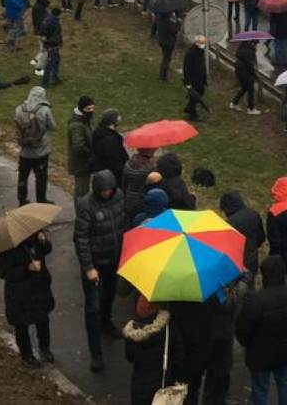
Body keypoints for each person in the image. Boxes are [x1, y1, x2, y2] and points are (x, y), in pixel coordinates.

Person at [235, 255, 287, 405]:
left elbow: (243, 331)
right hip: (284, 351)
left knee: (260, 392)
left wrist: (249, 345)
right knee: (285, 386)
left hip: (259, 356)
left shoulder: (256, 301)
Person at [73, 169, 126, 372]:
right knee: (92, 308)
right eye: (103, 190)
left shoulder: (118, 196)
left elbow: (123, 221)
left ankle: (107, 322)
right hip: (95, 265)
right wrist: (88, 267)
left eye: (110, 190)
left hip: (113, 260)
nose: (107, 193)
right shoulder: (86, 205)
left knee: (109, 296)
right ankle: (96, 352)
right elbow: (82, 238)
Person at [0, 229, 55, 368]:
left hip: (39, 288)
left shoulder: (35, 239)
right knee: (22, 325)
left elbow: (47, 249)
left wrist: (44, 241)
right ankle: (27, 355)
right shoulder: (8, 248)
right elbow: (4, 272)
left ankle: (44, 348)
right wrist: (27, 268)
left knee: (42, 320)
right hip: (19, 295)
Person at [123, 297, 185, 405]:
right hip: (163, 384)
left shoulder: (132, 331)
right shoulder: (169, 329)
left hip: (139, 386)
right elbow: (179, 356)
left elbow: (130, 357)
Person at [13, 86, 56, 205]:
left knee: (23, 176)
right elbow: (53, 127)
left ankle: (22, 199)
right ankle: (41, 199)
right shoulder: (44, 110)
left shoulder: (19, 109)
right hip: (41, 151)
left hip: (25, 151)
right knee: (41, 178)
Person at [221, 190, 266, 288]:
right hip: (252, 261)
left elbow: (226, 248)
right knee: (250, 288)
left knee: (238, 292)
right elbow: (261, 237)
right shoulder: (254, 214)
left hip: (237, 265)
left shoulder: (230, 223)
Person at [66, 96, 97, 198]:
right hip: (81, 164)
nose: (91, 111)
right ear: (81, 108)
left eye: (92, 108)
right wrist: (90, 154)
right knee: (82, 192)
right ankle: (81, 213)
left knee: (83, 191)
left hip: (83, 163)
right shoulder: (77, 125)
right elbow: (79, 147)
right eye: (88, 109)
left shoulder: (83, 120)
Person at [91, 108, 127, 185]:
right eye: (118, 117)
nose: (120, 118)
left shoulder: (100, 133)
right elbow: (114, 160)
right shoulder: (110, 139)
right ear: (113, 120)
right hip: (112, 176)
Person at [231, 38, 261, 114]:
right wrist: (255, 75)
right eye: (256, 44)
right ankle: (251, 109)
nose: (257, 46)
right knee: (251, 89)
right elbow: (249, 65)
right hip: (245, 72)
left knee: (245, 88)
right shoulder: (249, 51)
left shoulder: (242, 47)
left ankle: (234, 103)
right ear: (253, 43)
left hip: (239, 70)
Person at [183, 34, 209, 121]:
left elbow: (202, 66)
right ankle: (193, 114)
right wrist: (187, 83)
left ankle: (189, 108)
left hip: (200, 78)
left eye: (204, 42)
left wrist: (204, 78)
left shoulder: (200, 52)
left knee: (200, 93)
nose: (203, 44)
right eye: (201, 43)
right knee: (195, 96)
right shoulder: (190, 54)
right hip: (193, 79)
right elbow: (186, 69)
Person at [38, 6, 63, 88]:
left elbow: (42, 33)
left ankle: (54, 78)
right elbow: (57, 35)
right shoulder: (55, 22)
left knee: (55, 61)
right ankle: (46, 82)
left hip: (48, 45)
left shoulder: (46, 20)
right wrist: (59, 43)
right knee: (50, 64)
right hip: (52, 45)